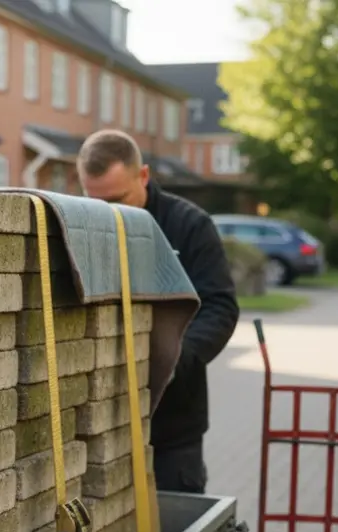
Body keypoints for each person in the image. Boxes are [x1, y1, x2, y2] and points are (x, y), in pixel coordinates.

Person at [77, 129, 239, 495]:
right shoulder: (76, 225)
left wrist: (174, 361)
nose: (106, 213)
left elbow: (220, 307)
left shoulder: (190, 226)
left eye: (118, 199)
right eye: (94, 200)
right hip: (98, 423)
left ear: (144, 176)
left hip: (173, 429)